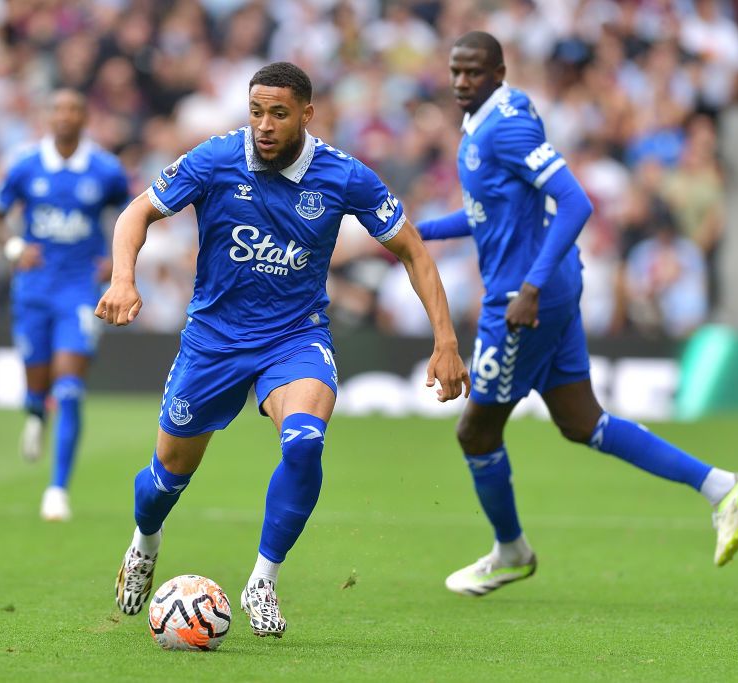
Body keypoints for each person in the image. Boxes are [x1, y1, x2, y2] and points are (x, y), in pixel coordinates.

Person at [95, 62, 471, 637]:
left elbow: (415, 252)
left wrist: (445, 341)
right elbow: (137, 212)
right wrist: (124, 278)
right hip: (214, 341)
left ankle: (263, 580)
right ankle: (145, 542)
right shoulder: (216, 159)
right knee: (166, 478)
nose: (264, 125)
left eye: (277, 113)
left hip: (294, 338)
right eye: (255, 112)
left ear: (306, 115)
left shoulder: (344, 176)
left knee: (303, 444)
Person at [417, 31, 738, 597]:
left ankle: (511, 551)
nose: (461, 82)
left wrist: (528, 288)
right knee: (583, 423)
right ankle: (722, 487)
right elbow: (492, 214)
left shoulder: (506, 125)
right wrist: (419, 232)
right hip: (551, 284)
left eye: (473, 72)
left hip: (526, 298)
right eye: (455, 71)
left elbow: (576, 201)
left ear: (499, 72)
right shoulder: (488, 116)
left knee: (476, 432)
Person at [0, 89, 129, 522]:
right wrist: (13, 248)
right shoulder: (27, 165)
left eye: (73, 109)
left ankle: (57, 489)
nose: (65, 116)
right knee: (38, 381)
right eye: (58, 109)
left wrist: (116, 258)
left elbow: (130, 213)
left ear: (85, 118)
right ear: (48, 117)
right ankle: (34, 412)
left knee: (69, 389)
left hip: (80, 290)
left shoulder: (105, 169)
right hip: (33, 287)